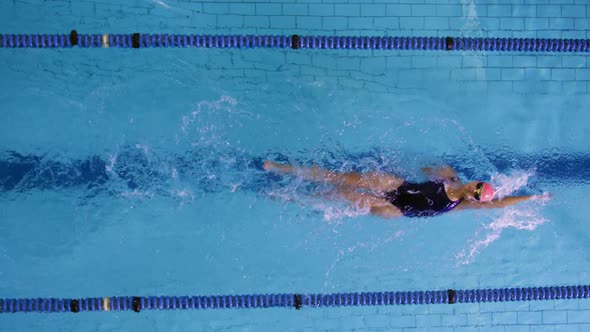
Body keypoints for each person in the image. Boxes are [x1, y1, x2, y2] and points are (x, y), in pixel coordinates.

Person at [262, 160, 546, 218]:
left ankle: (291, 198)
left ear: (475, 199)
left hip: (395, 208)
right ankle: (282, 168)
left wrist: (532, 197)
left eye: (477, 193)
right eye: (479, 184)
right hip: (399, 186)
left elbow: (499, 204)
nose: (474, 189)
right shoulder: (451, 176)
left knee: (337, 197)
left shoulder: (460, 204)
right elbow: (424, 168)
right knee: (342, 176)